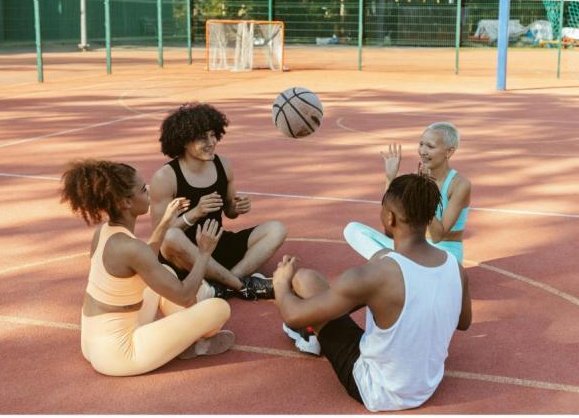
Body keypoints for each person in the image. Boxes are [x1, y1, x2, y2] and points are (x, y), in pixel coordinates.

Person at [274, 174, 472, 412]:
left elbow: (292, 314)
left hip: (377, 389)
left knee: (300, 279)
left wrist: (281, 283)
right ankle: (315, 329)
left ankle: (310, 335)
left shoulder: (377, 275)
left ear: (389, 217)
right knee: (311, 281)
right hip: (427, 384)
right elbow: (463, 322)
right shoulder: (455, 267)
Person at [61, 159, 234, 377]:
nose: (149, 191)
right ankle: (192, 341)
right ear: (126, 202)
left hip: (92, 342)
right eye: (143, 189)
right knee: (218, 308)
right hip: (120, 354)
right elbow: (186, 296)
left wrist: (164, 223)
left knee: (166, 273)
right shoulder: (131, 248)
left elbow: (144, 261)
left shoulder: (105, 232)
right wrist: (203, 253)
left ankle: (185, 339)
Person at [150, 102, 287, 300]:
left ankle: (223, 286)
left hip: (216, 242)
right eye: (202, 137)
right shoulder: (165, 177)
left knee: (277, 229)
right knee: (171, 237)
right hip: (184, 253)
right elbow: (159, 236)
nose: (211, 142)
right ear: (184, 142)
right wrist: (194, 213)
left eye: (213, 135)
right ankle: (242, 285)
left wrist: (236, 207)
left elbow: (230, 212)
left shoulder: (223, 165)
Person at [344, 121, 471, 263]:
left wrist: (423, 191)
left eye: (430, 146)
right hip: (414, 249)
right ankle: (398, 266)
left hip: (445, 255)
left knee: (401, 262)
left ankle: (396, 267)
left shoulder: (459, 184)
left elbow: (437, 236)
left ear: (449, 151)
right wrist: (390, 178)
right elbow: (391, 224)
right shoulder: (415, 179)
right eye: (421, 144)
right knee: (353, 230)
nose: (422, 151)